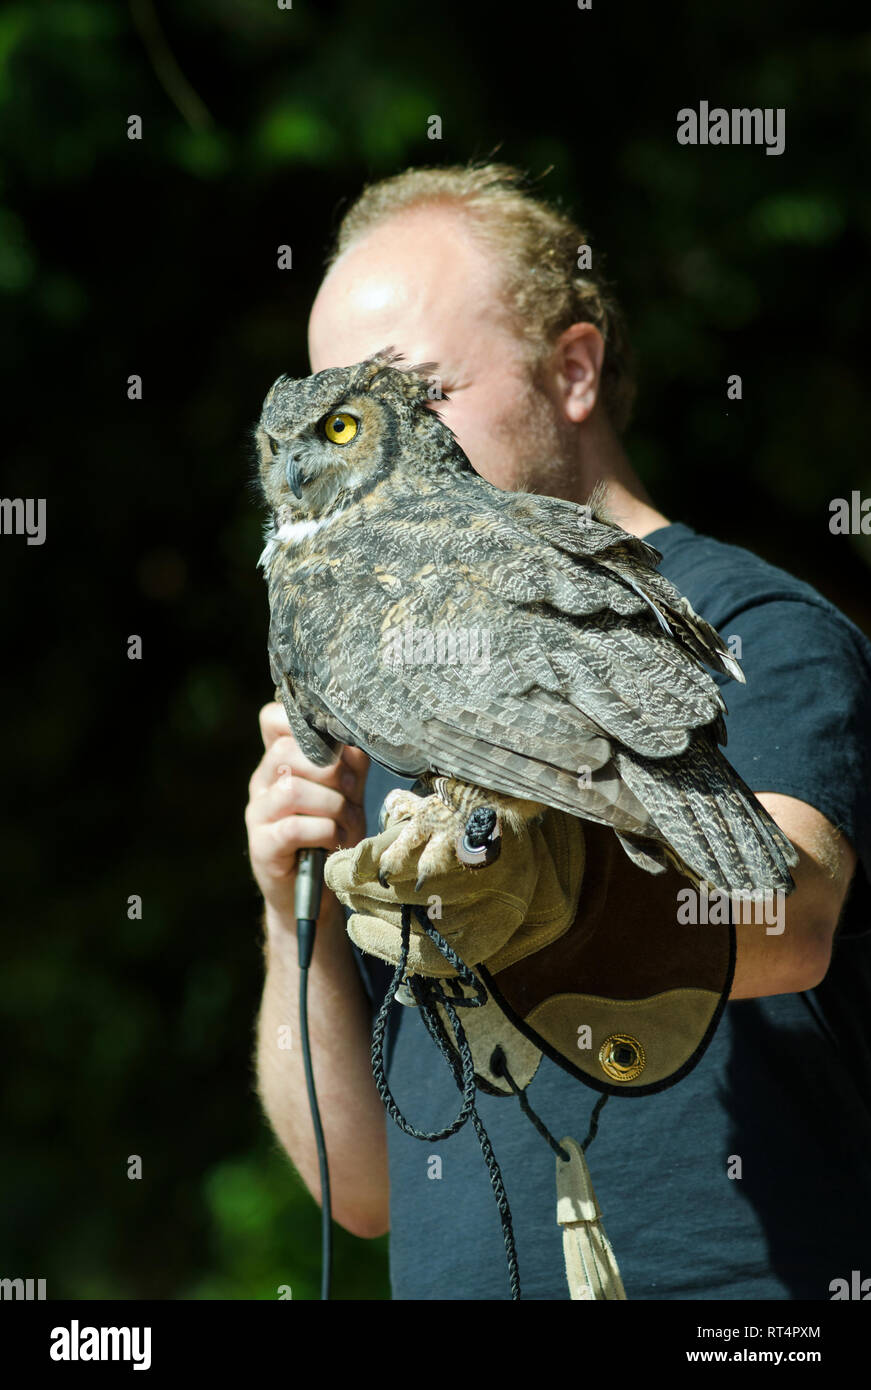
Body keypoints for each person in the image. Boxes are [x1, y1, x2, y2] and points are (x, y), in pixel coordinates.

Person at [247, 163, 871, 1299]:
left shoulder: (742, 618)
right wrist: (296, 921)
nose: (357, 446)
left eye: (409, 391)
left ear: (573, 369)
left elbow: (779, 913)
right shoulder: (374, 634)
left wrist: (562, 891)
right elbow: (364, 1191)